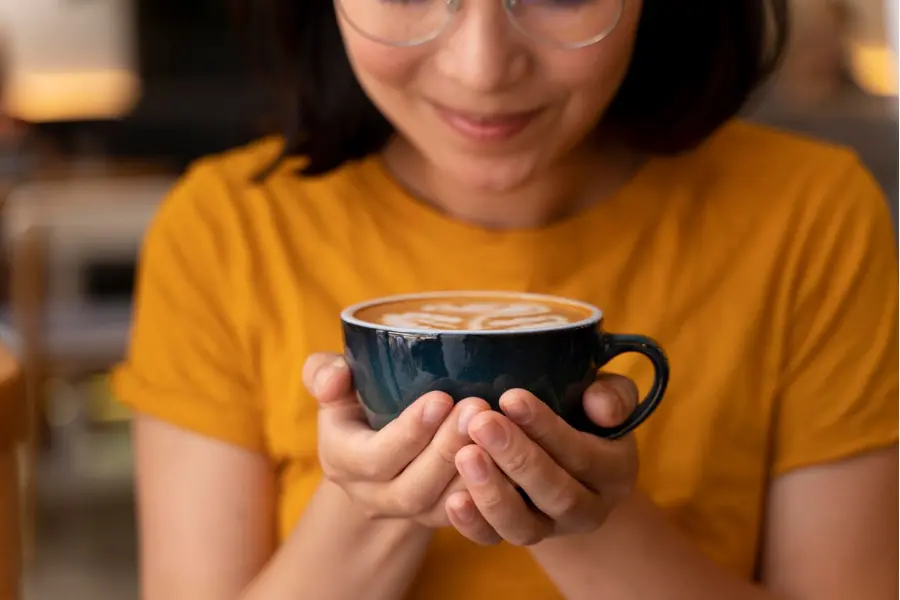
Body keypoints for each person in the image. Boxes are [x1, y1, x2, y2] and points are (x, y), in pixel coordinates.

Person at [111, 1, 899, 599]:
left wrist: (587, 517)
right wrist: (373, 501)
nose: (482, 68)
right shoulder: (223, 230)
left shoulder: (809, 216)